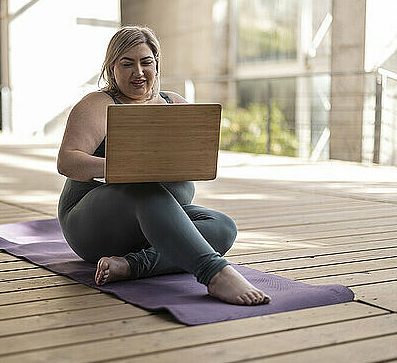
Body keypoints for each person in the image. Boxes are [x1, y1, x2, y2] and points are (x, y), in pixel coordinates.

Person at [57, 26, 270, 306]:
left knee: (222, 227)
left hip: (151, 221)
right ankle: (215, 273)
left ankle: (131, 265)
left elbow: (194, 163)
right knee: (144, 188)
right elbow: (67, 160)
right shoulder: (99, 104)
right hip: (91, 224)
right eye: (127, 63)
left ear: (157, 64)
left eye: (146, 62)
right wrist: (125, 168)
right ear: (111, 68)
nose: (138, 72)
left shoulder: (174, 103)